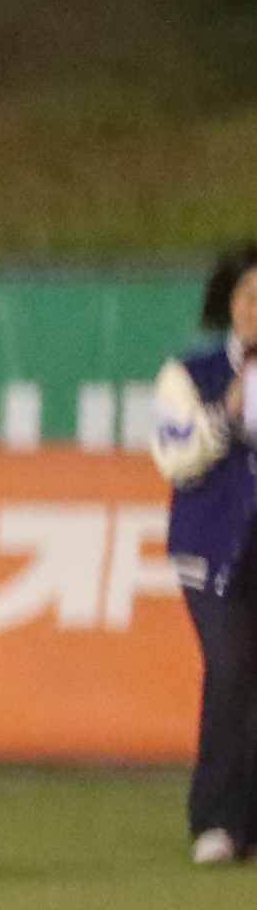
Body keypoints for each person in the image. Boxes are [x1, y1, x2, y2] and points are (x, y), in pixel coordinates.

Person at [153, 240, 257, 866]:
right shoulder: (190, 373)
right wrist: (225, 417)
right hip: (212, 545)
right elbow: (175, 456)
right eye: (249, 296)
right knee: (231, 668)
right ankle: (217, 820)